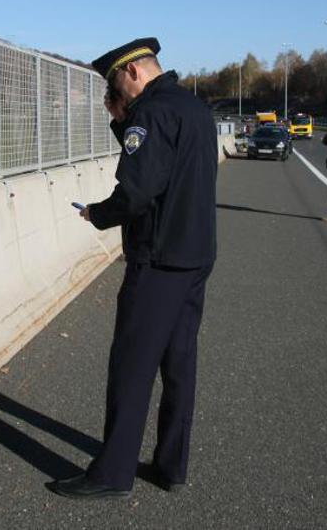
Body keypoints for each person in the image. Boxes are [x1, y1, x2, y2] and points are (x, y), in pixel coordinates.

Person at [49, 37, 218, 499]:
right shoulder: (194, 109)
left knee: (132, 365)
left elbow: (139, 188)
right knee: (179, 363)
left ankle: (112, 474)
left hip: (158, 258)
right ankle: (171, 466)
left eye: (116, 85)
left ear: (132, 72)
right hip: (196, 253)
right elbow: (163, 163)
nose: (116, 94)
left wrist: (98, 214)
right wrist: (120, 121)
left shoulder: (151, 113)